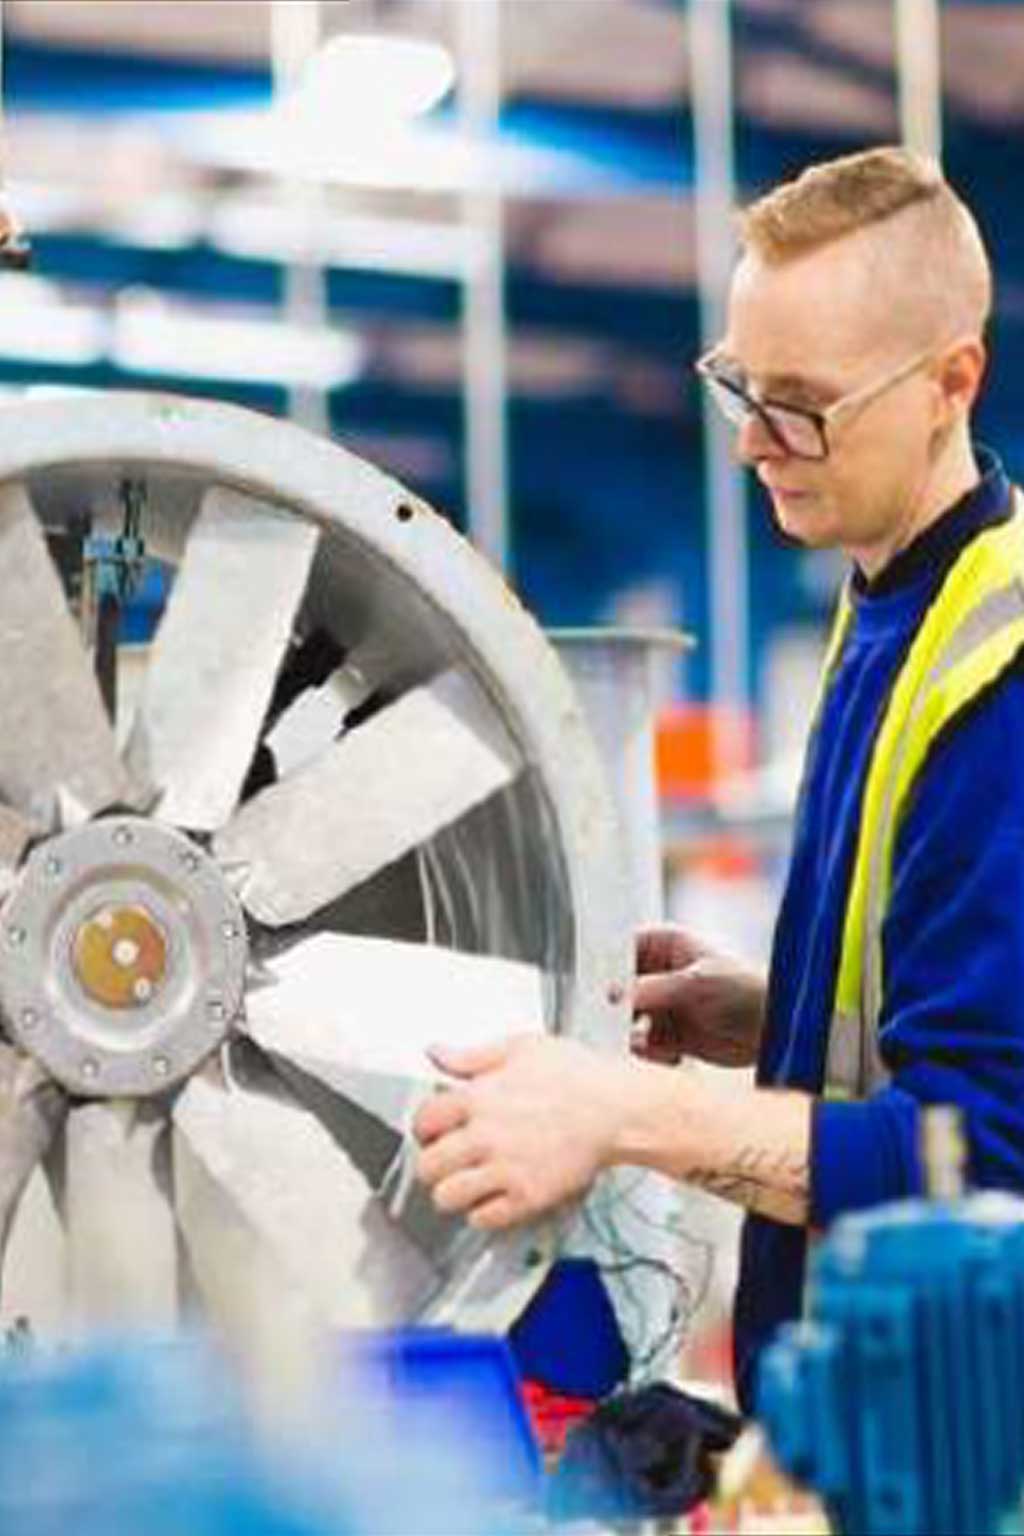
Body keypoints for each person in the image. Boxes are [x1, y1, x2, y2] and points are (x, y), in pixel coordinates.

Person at [415, 145, 1024, 1412]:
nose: (753, 440)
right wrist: (767, 1008)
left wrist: (627, 1114)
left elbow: (979, 1164)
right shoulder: (891, 607)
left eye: (800, 401)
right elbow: (936, 1012)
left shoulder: (1000, 680)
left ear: (949, 383)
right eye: (739, 385)